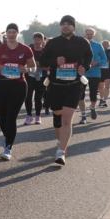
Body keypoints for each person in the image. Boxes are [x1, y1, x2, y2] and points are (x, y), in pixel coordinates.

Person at [39, 15, 92, 166]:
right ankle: (60, 141)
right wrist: (54, 62)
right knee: (57, 116)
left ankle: (61, 152)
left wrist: (85, 67)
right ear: (60, 27)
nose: (66, 26)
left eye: (69, 24)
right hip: (55, 85)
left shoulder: (82, 42)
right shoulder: (53, 43)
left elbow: (89, 57)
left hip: (74, 85)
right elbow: (42, 61)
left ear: (74, 27)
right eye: (63, 24)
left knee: (67, 120)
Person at [0, 23, 35, 160]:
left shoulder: (25, 49)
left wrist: (27, 70)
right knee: (2, 118)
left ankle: (8, 147)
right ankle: (8, 138)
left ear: (17, 33)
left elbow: (33, 66)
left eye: (14, 32)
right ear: (6, 34)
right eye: (9, 32)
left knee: (11, 117)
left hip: (18, 86)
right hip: (1, 85)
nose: (12, 34)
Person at [77, 27, 107, 125]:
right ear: (84, 34)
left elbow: (104, 59)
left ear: (94, 35)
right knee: (80, 94)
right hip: (82, 73)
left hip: (95, 73)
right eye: (87, 33)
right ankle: (83, 115)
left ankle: (93, 107)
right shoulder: (79, 44)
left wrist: (97, 63)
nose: (89, 35)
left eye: (91, 34)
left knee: (93, 93)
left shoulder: (98, 45)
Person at [23, 32, 47, 125]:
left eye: (39, 39)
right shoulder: (29, 49)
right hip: (29, 76)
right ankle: (29, 116)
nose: (37, 41)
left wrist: (39, 64)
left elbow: (49, 65)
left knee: (38, 98)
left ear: (42, 40)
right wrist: (31, 65)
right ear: (33, 40)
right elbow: (23, 61)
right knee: (28, 97)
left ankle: (38, 116)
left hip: (41, 76)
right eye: (35, 39)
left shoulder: (45, 51)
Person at [98, 39, 110, 108]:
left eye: (106, 44)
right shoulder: (99, 51)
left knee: (107, 86)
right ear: (101, 44)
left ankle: (104, 100)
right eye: (103, 44)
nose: (105, 45)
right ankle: (101, 99)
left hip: (109, 71)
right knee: (101, 87)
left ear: (109, 45)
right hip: (100, 71)